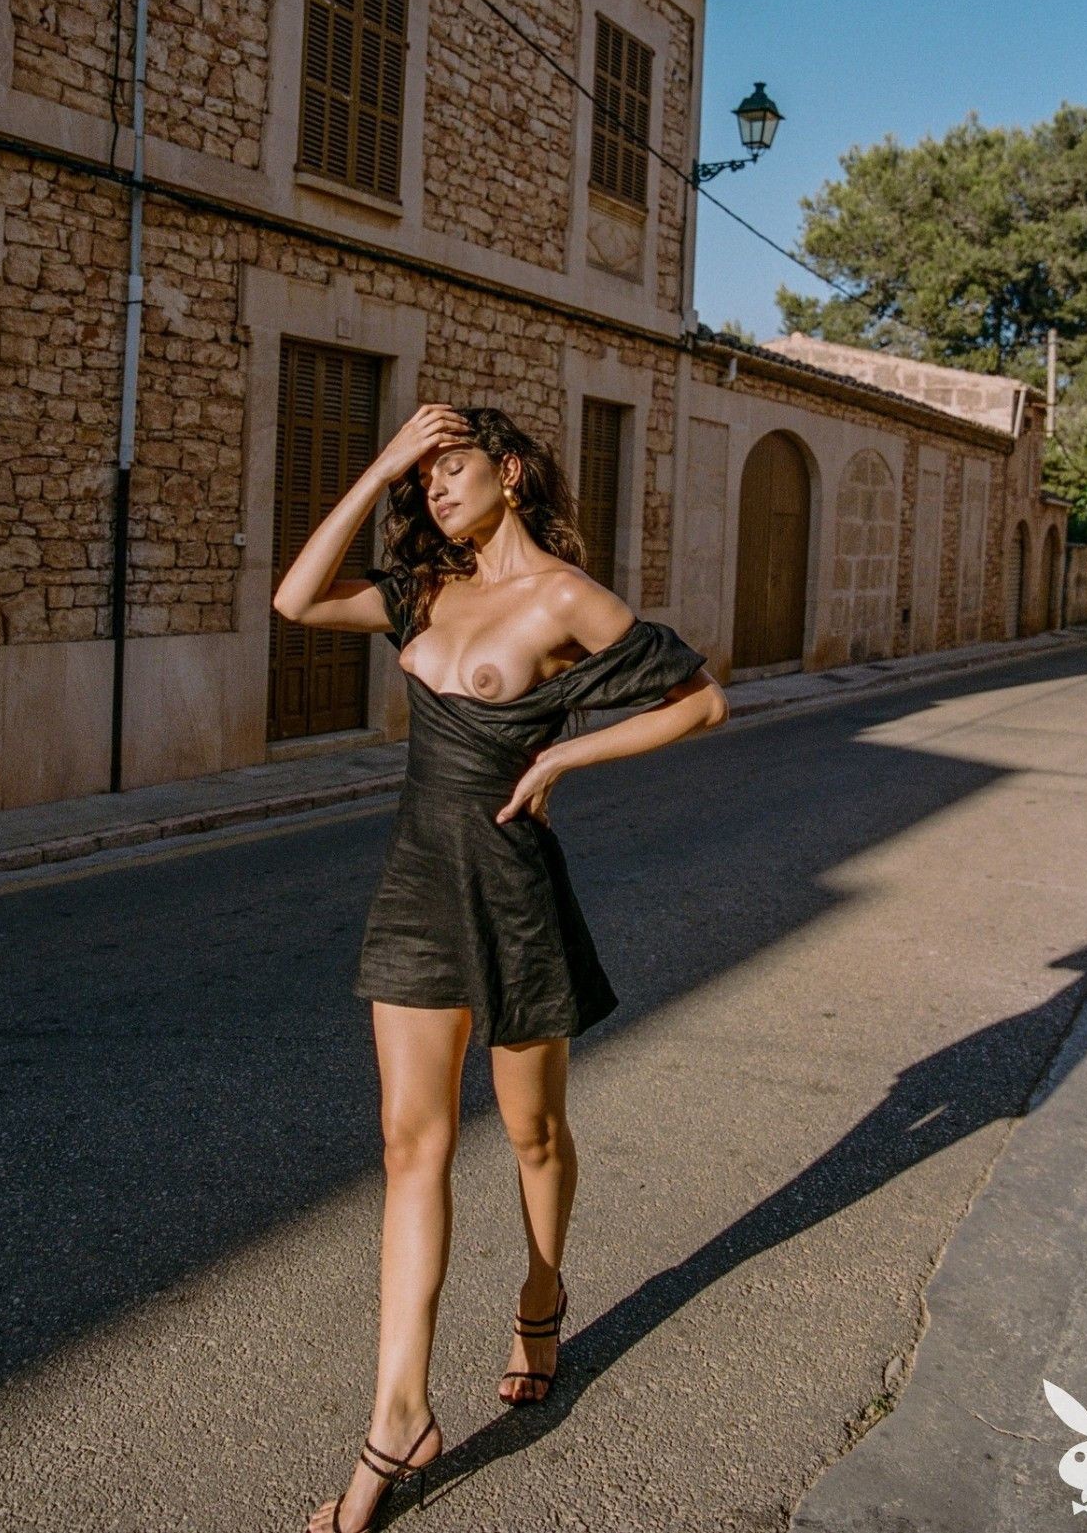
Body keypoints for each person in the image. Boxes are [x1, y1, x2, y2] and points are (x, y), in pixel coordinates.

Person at [273, 402, 729, 1533]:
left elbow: (701, 700)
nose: (433, 490)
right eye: (421, 478)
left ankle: (540, 1292)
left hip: (515, 893)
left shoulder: (564, 598)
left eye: (451, 467)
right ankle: (398, 1414)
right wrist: (379, 461)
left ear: (510, 471)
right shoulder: (422, 590)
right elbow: (295, 599)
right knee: (409, 1144)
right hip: (416, 887)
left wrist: (566, 751)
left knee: (531, 1130)